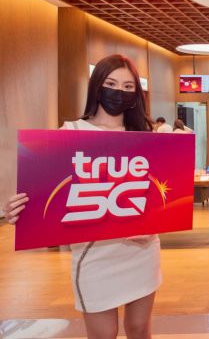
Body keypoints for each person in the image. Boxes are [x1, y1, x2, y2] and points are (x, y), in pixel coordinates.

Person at [3, 54, 161, 339]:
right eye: (111, 84)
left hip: (142, 252)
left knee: (140, 329)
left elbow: (159, 195)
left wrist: (153, 226)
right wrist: (22, 211)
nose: (119, 92)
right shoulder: (70, 132)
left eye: (128, 87)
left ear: (136, 94)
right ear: (96, 86)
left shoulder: (145, 136)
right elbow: (46, 194)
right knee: (104, 334)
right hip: (93, 256)